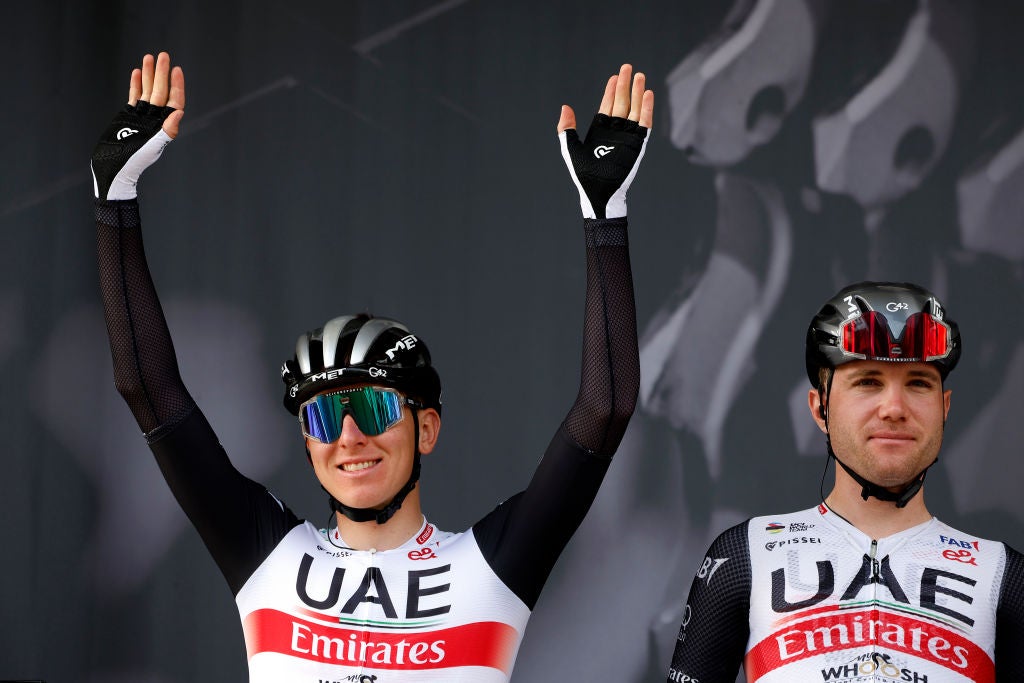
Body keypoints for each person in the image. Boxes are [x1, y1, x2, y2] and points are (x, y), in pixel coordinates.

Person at [91, 52, 651, 682]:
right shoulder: (265, 554)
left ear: (429, 428)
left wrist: (605, 220)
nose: (349, 436)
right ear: (308, 442)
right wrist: (115, 198)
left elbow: (606, 407)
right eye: (326, 415)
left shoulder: (494, 564)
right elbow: (147, 388)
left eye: (376, 408)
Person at [666, 281, 1024, 682]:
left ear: (945, 408)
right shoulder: (745, 555)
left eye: (918, 383)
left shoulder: (1004, 575)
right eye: (868, 381)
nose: (894, 408)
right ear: (820, 407)